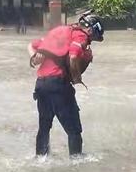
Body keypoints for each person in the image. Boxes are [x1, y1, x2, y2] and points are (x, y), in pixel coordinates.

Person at [27, 11, 104, 158]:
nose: (90, 41)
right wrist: (76, 77)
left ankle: (40, 158)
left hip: (41, 85)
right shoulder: (81, 35)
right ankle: (76, 161)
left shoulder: (60, 32)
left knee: (44, 127)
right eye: (92, 38)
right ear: (90, 30)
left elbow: (31, 44)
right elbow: (74, 55)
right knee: (74, 130)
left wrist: (33, 57)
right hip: (58, 85)